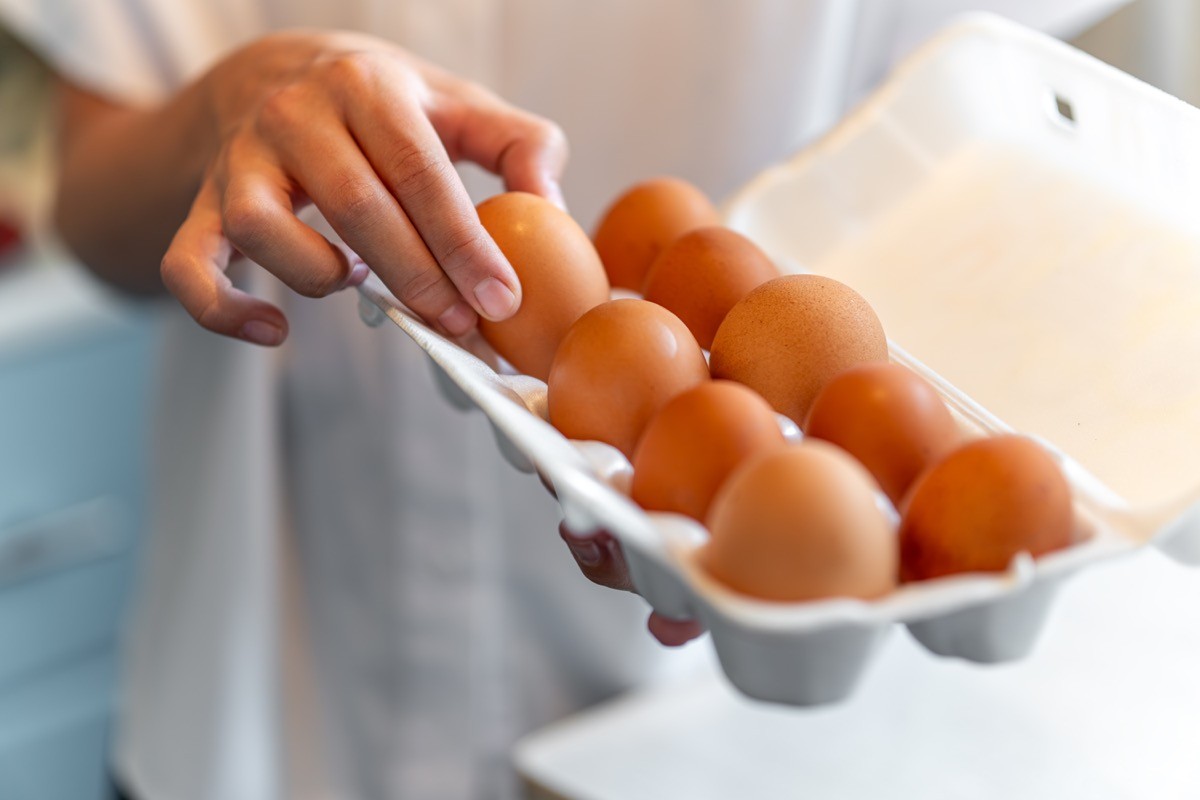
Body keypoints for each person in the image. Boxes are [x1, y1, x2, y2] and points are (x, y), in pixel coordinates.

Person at [0, 1, 1126, 798]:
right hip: (267, 717)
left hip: (727, 735)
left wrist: (803, 484)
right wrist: (226, 109)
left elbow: (999, 160)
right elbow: (91, 216)